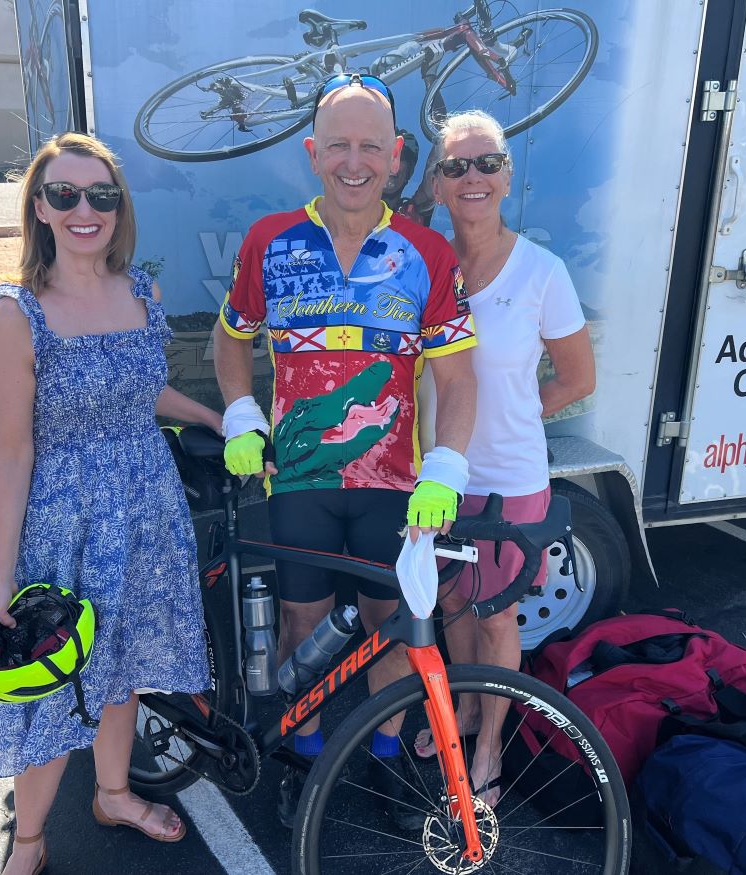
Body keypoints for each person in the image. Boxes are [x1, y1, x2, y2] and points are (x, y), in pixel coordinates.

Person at [212, 73, 477, 829]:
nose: (354, 162)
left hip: (396, 486)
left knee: (392, 624)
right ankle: (307, 758)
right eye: (338, 146)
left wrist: (446, 469)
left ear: (397, 156)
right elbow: (230, 343)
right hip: (297, 480)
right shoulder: (270, 240)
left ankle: (388, 763)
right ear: (312, 153)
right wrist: (239, 414)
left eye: (370, 146)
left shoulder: (426, 251)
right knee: (304, 628)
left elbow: (458, 381)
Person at [0, 132, 221, 875]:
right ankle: (29, 841)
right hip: (65, 527)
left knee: (123, 667)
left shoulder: (138, 289)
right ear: (40, 209)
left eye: (101, 195)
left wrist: (210, 415)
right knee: (52, 688)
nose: (86, 209)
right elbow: (11, 454)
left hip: (147, 511)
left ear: (120, 207)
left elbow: (143, 391)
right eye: (66, 194)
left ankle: (113, 791)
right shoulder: (16, 314)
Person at [413, 110, 596, 807]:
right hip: (436, 477)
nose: (472, 177)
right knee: (453, 604)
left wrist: (517, 408)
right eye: (456, 166)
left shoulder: (542, 271)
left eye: (486, 162)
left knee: (496, 618)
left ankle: (489, 744)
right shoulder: (425, 262)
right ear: (436, 182)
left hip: (509, 480)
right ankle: (462, 709)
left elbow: (578, 378)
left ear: (507, 176)